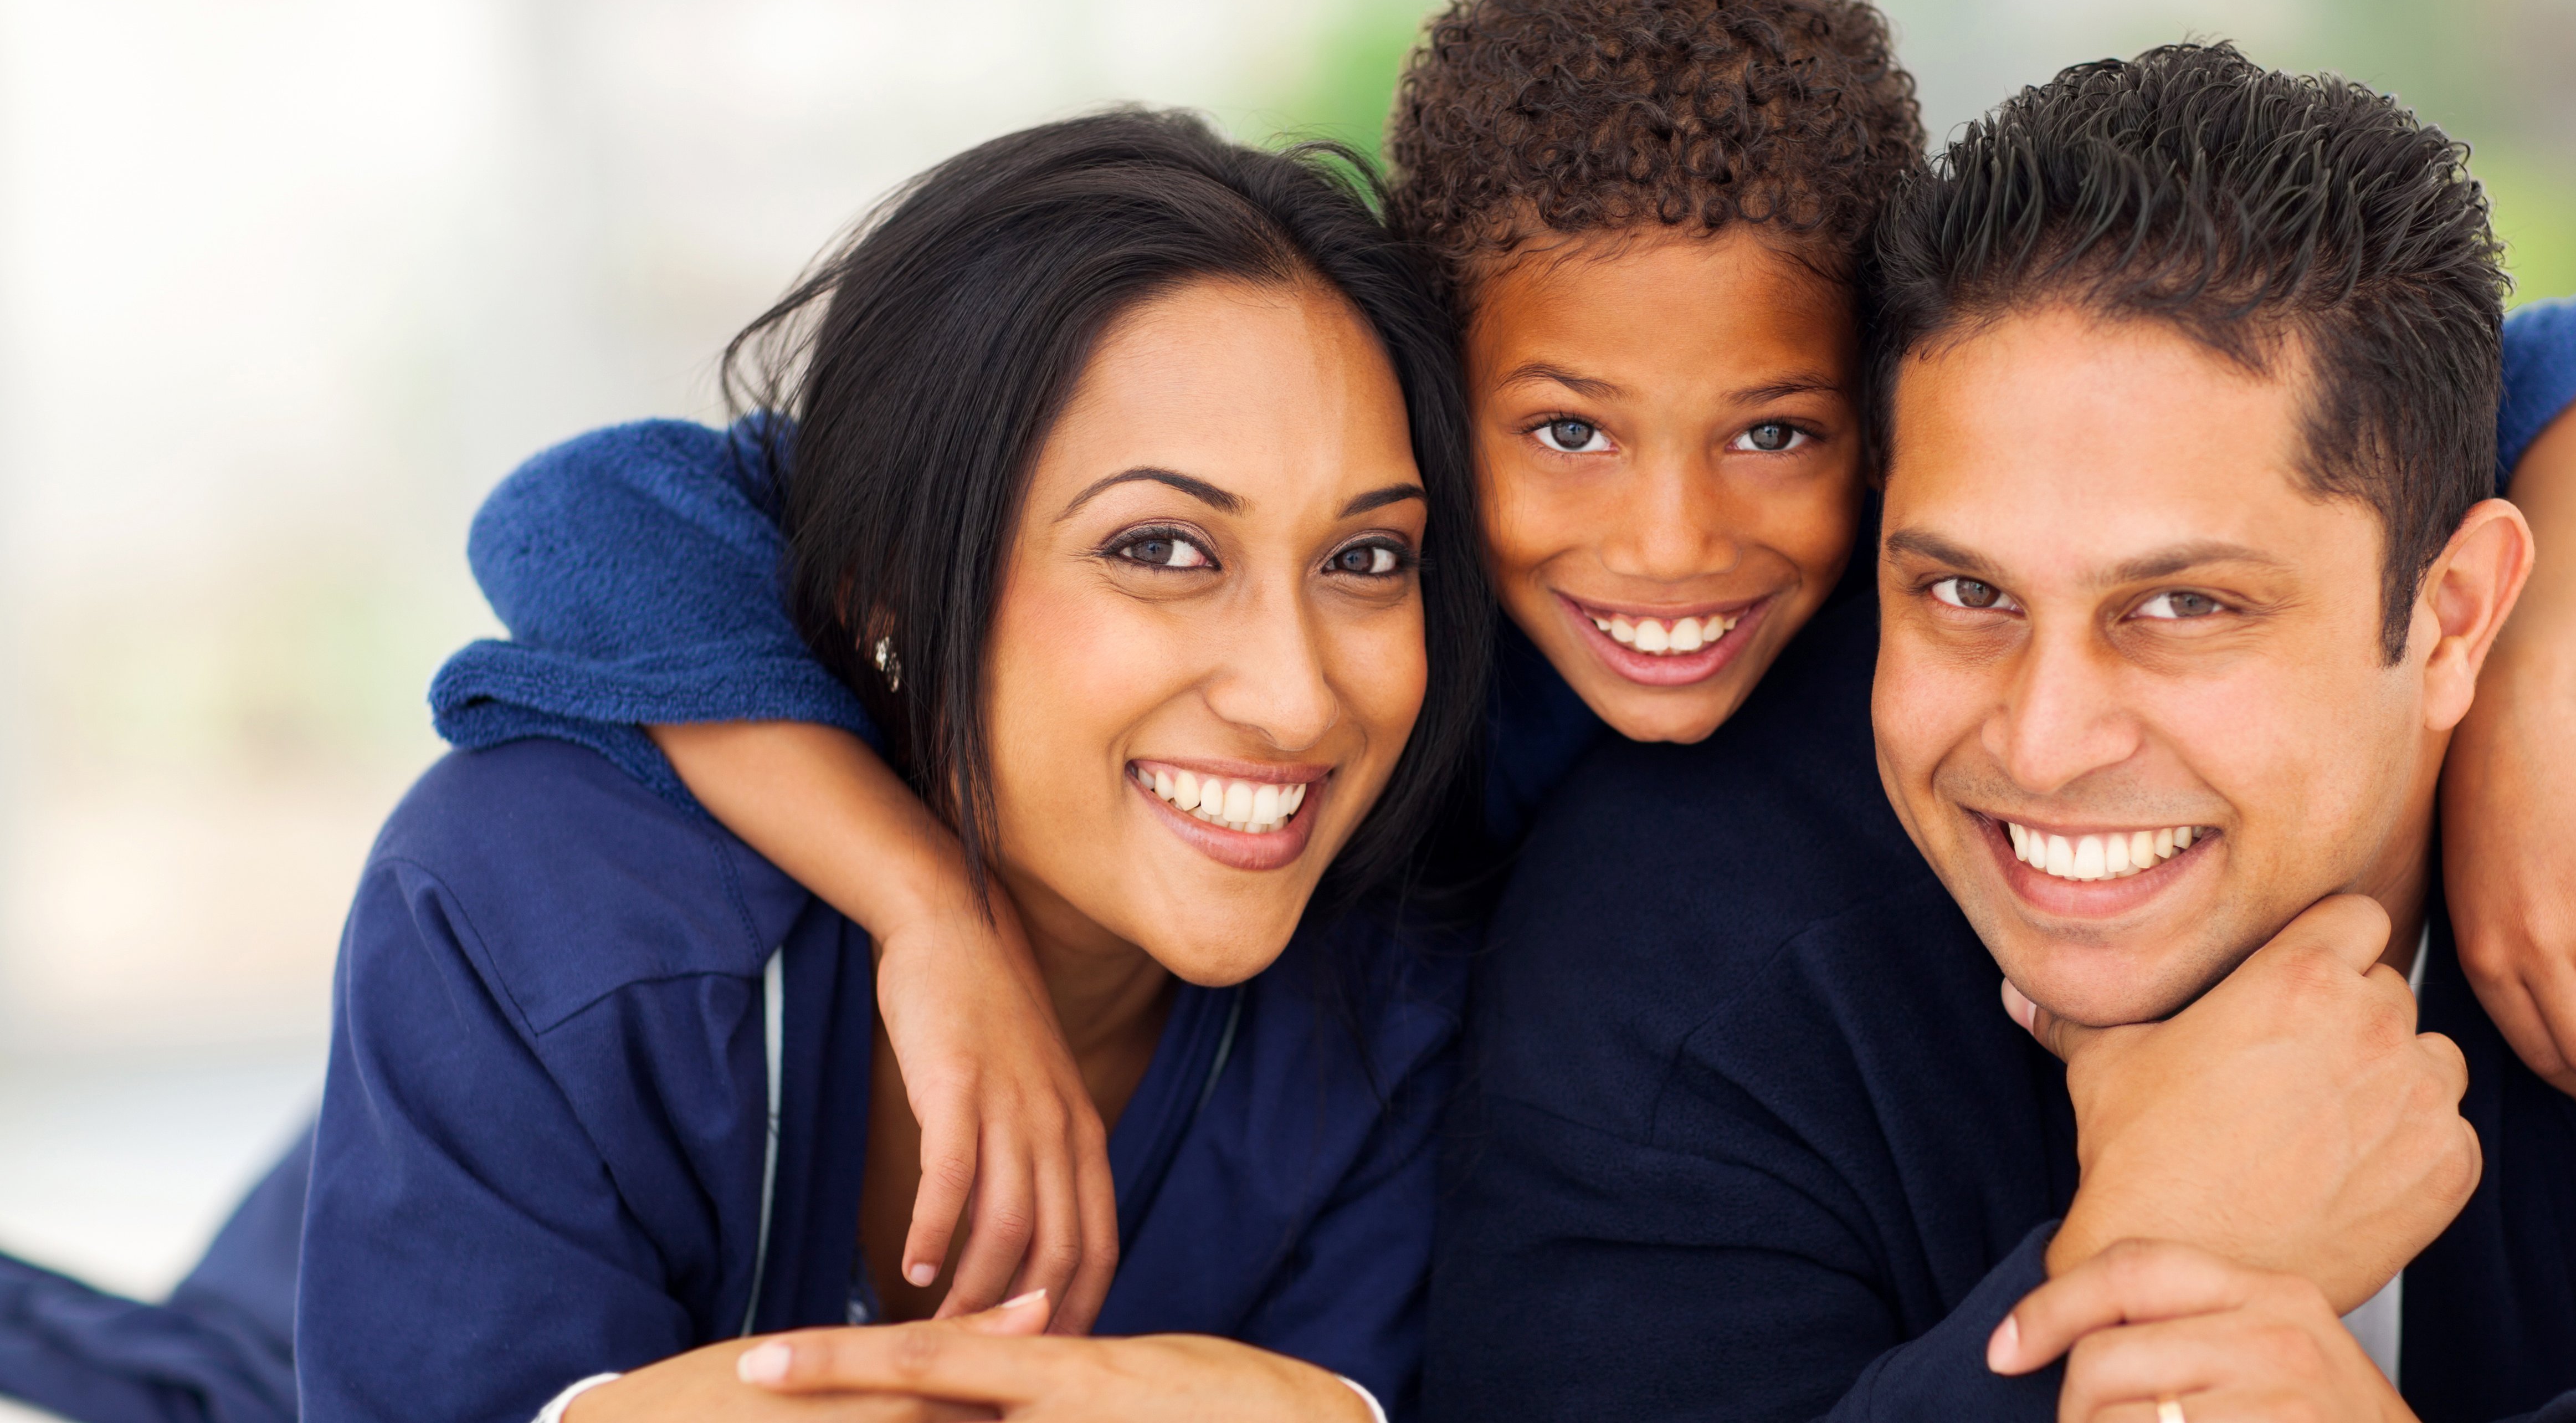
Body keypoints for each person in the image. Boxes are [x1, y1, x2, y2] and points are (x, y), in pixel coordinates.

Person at [415, 0, 2576, 1323]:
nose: (1665, 547)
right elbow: (589, 512)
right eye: (1559, 438)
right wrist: (920, 908)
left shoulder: (1969, 573)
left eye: (1779, 434)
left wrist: (2517, 708)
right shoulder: (1352, 558)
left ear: (1887, 393)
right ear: (1438, 380)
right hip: (642, 1151)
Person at [1424, 42, 2576, 1420]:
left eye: (2183, 608)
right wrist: (2144, 1268)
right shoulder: (1664, 930)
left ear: (2451, 618)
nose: (2050, 734)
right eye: (1960, 596)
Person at [3, 109, 1485, 1423]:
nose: (1295, 698)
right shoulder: (548, 900)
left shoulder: (1412, 977)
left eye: (1367, 555)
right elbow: (602, 508)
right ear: (891, 585)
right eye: (1159, 549)